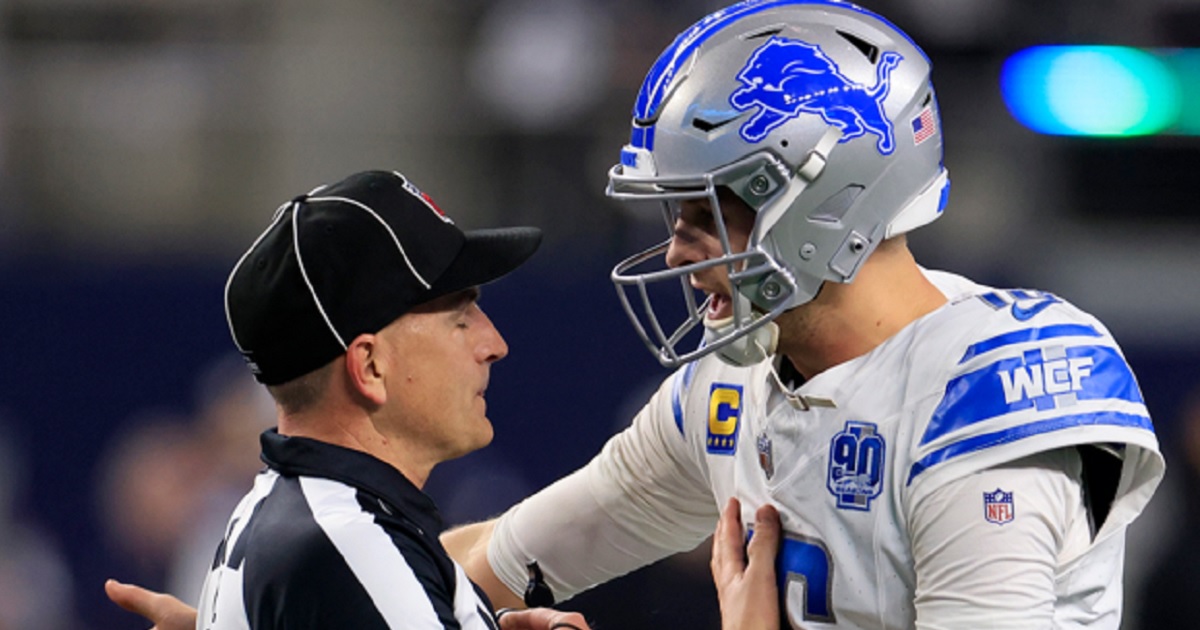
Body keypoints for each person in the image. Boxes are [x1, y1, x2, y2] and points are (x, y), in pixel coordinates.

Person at [441, 1, 1166, 628]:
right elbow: (500, 559)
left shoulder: (981, 388)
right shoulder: (730, 390)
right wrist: (343, 559)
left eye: (703, 216)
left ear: (819, 208)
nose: (675, 255)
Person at [105, 169, 784, 630]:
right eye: (461, 316)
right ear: (369, 365)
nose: (494, 343)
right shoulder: (345, 546)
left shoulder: (289, 518)